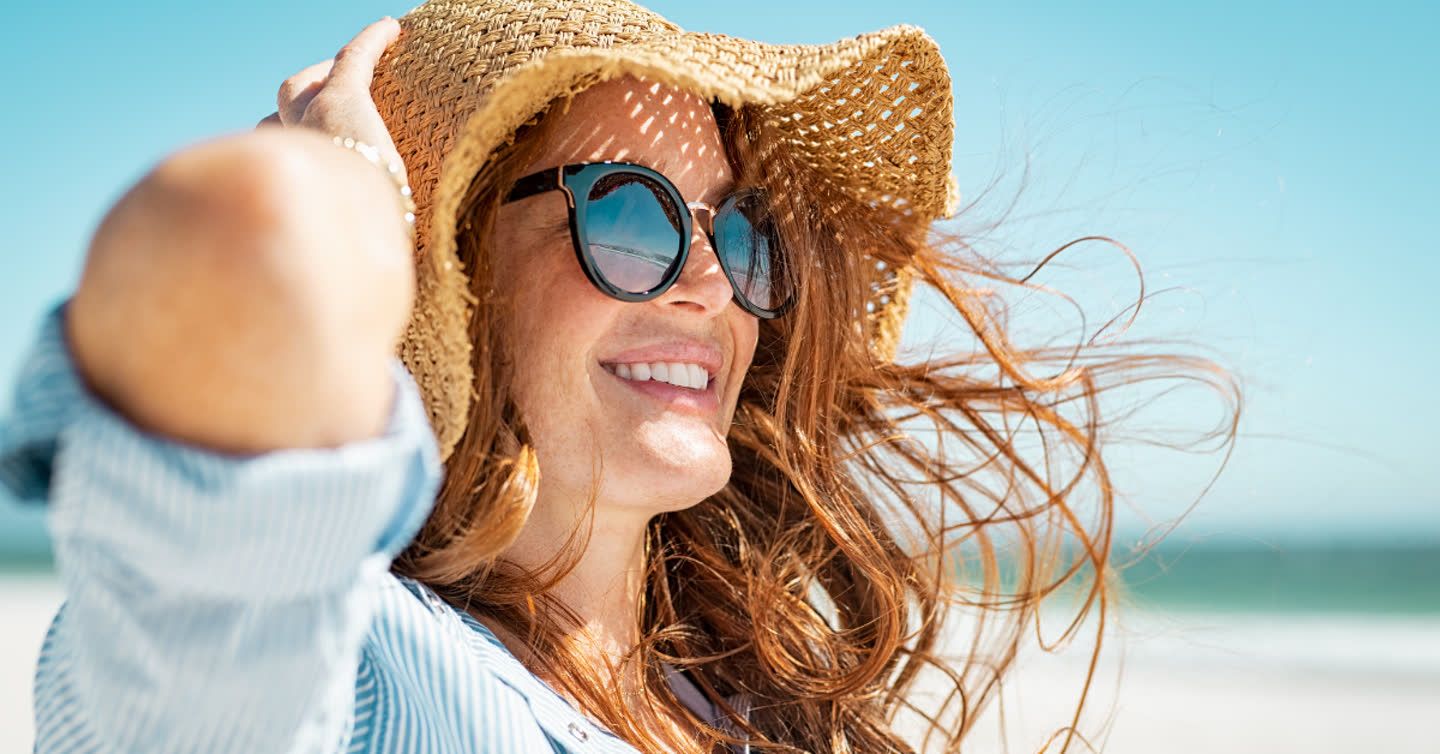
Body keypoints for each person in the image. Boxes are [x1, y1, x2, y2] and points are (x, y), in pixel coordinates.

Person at [0, 1, 1240, 752]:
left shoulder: (736, 702)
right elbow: (232, 240)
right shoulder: (340, 670)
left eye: (737, 231)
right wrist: (348, 202)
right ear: (454, 271)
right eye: (631, 219)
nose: (708, 280)